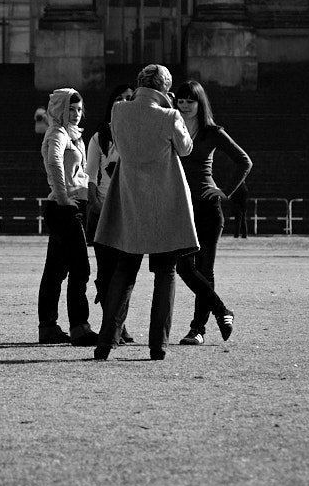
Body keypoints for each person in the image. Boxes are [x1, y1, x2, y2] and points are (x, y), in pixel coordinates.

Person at [92, 64, 216, 362]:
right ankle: (157, 345)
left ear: (139, 84)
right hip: (164, 201)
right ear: (164, 88)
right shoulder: (170, 115)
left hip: (130, 199)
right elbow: (185, 149)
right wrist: (170, 109)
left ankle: (106, 342)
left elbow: (120, 144)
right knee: (165, 273)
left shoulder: (119, 111)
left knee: (125, 270)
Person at [172, 79, 251, 344]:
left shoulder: (212, 132)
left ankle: (198, 330)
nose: (184, 106)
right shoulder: (171, 127)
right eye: (180, 101)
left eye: (189, 101)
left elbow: (244, 161)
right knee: (183, 266)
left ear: (200, 102)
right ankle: (222, 310)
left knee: (205, 269)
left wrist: (225, 191)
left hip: (207, 206)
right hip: (181, 207)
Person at [37, 89, 97, 346]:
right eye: (70, 109)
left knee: (56, 270)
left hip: (72, 205)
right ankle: (79, 327)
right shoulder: (57, 133)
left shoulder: (73, 135)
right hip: (65, 208)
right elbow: (54, 162)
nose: (75, 114)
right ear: (59, 109)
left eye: (79, 109)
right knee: (80, 268)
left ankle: (48, 327)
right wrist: (62, 196)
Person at [84, 83, 136, 344]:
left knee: (124, 271)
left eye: (130, 98)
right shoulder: (99, 137)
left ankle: (118, 323)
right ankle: (114, 324)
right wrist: (95, 205)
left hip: (129, 211)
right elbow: (90, 174)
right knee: (106, 271)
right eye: (120, 98)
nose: (125, 103)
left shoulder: (138, 132)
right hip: (104, 210)